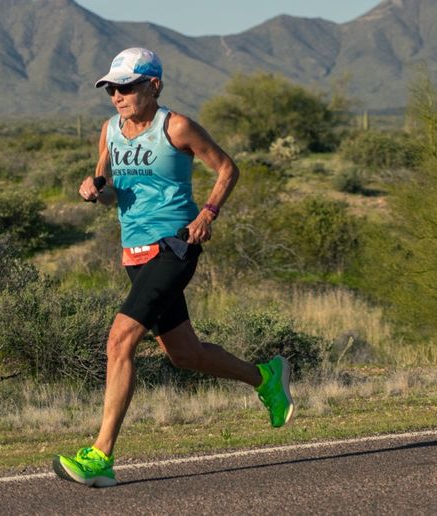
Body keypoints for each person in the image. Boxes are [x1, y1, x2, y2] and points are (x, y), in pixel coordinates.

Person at [53, 48, 294, 487]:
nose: (117, 96)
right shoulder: (110, 131)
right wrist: (94, 192)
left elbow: (227, 168)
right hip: (134, 252)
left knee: (119, 339)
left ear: (154, 86)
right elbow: (110, 194)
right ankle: (265, 376)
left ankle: (100, 456)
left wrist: (207, 214)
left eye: (126, 87)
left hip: (175, 246)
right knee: (185, 354)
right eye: (112, 88)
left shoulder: (176, 126)